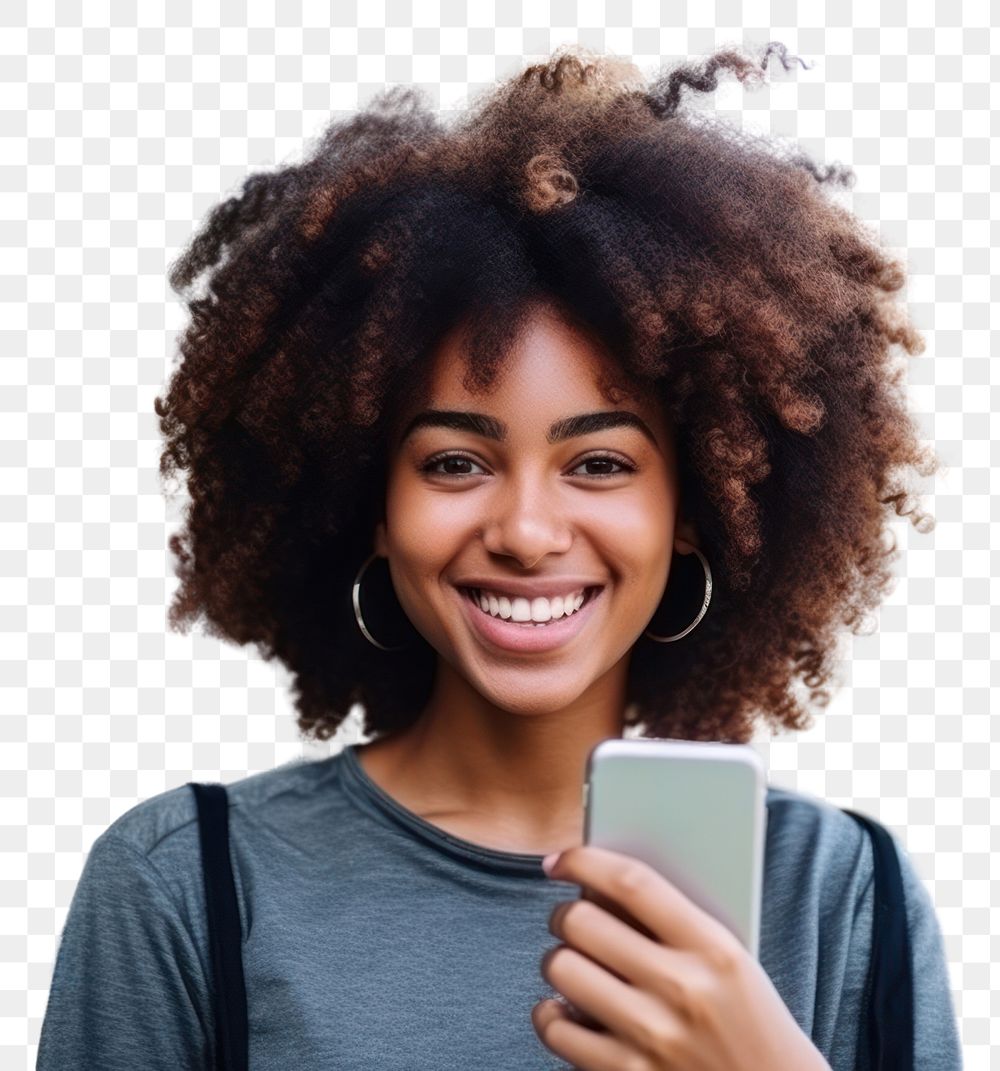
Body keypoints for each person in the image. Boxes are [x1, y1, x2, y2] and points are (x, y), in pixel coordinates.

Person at [36, 42, 962, 1070]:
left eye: (600, 462)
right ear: (370, 504)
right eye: (454, 462)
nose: (525, 531)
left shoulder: (844, 892)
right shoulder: (189, 885)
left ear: (694, 507)